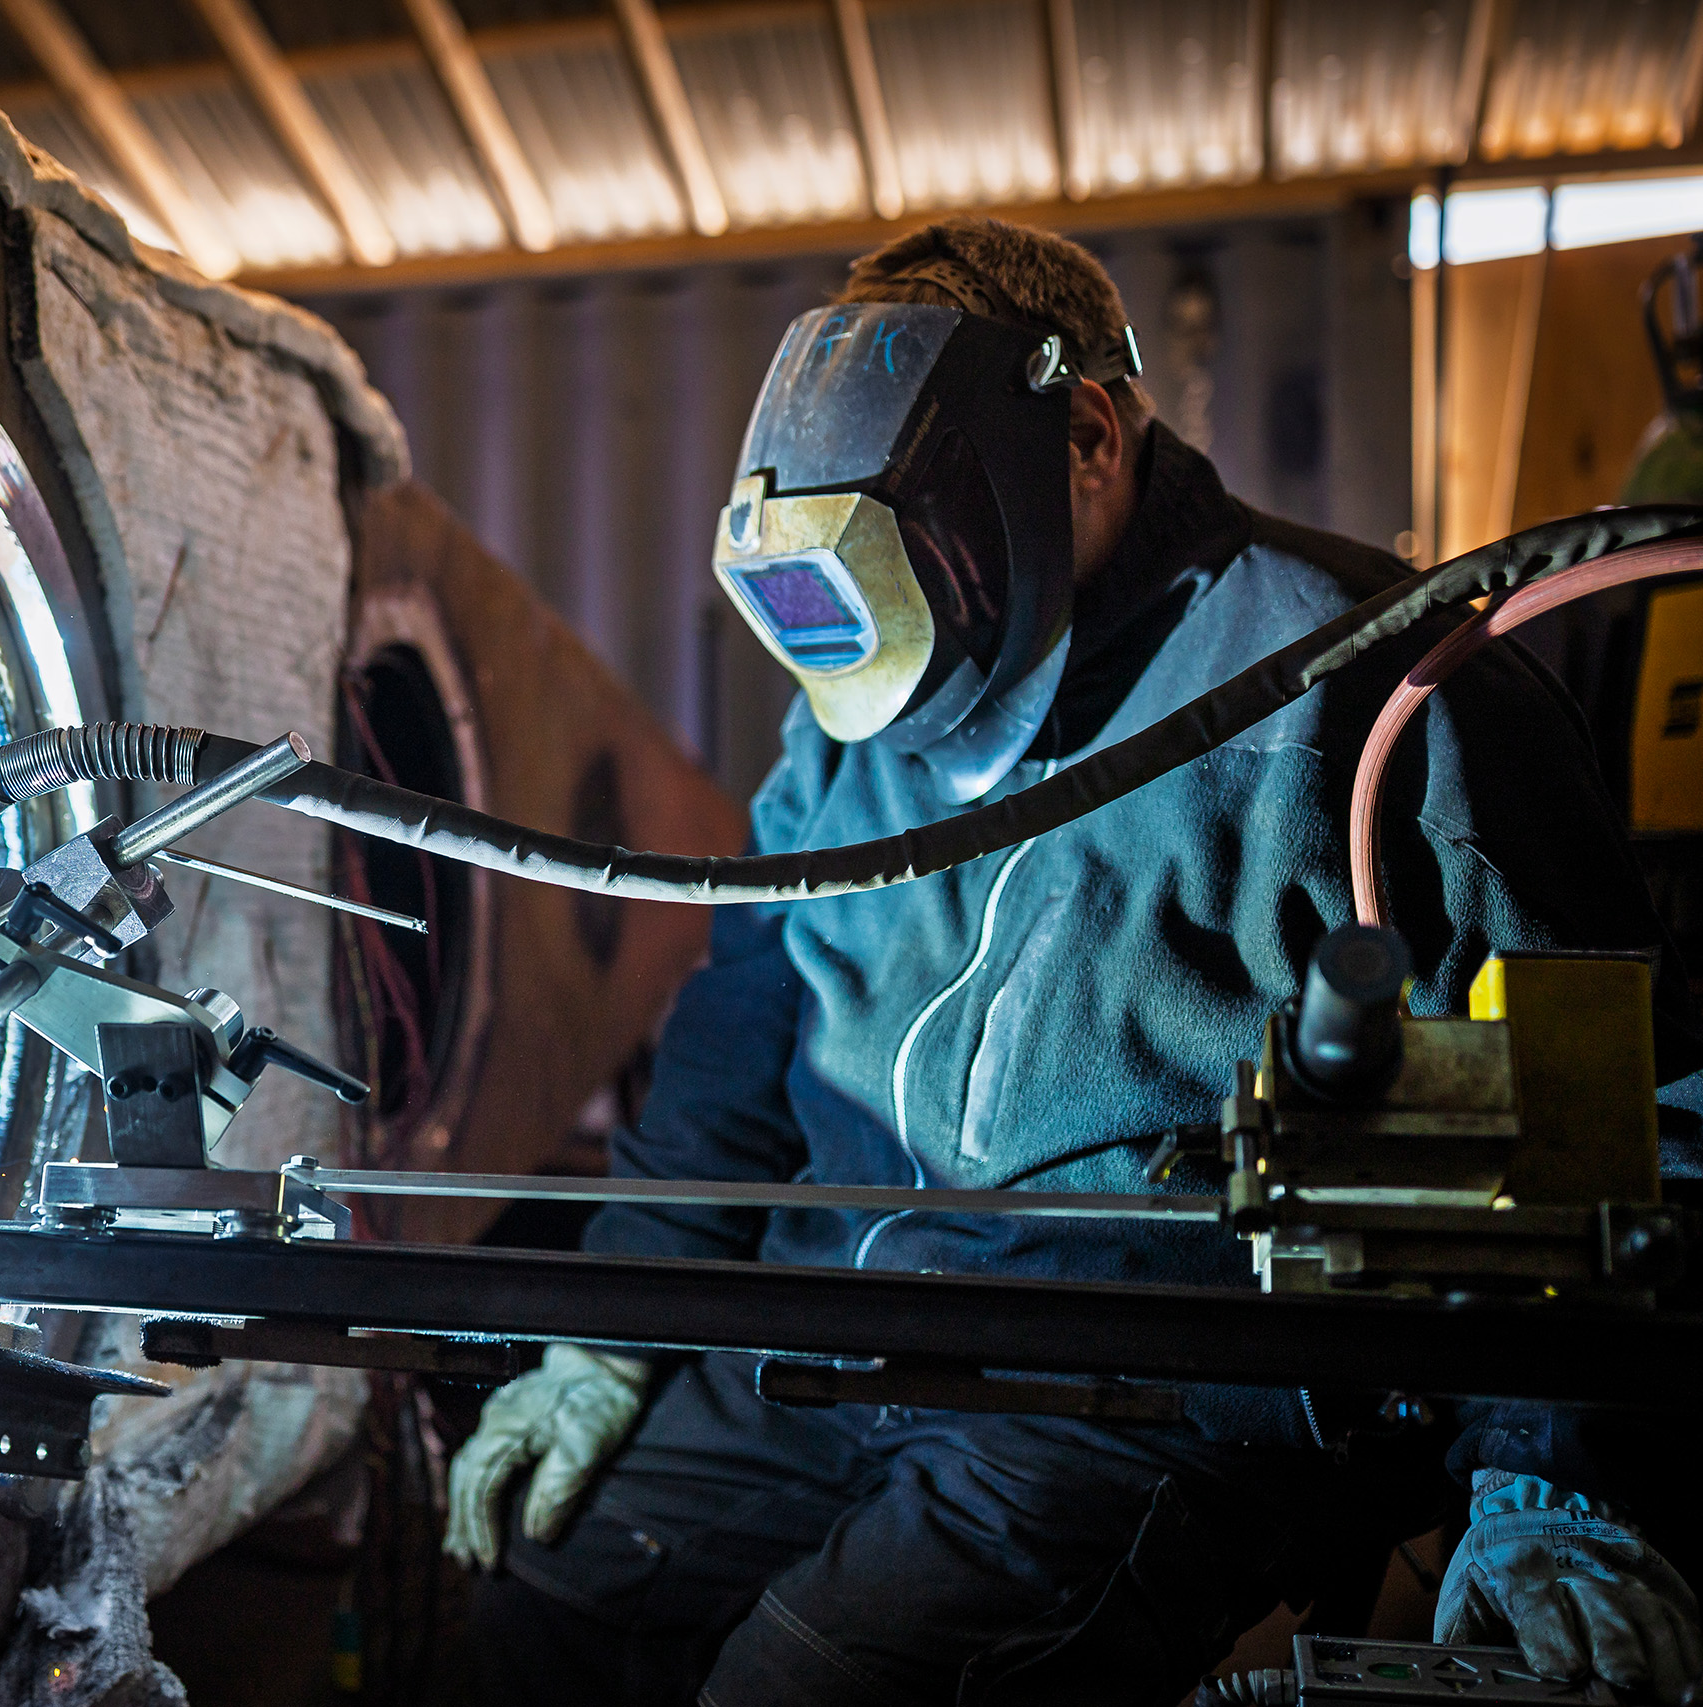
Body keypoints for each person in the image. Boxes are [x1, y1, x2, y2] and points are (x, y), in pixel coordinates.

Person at [445, 216, 1703, 1707]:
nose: (910, 733)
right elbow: (744, 1019)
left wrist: (1556, 1478)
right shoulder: (848, 736)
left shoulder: (1381, 694)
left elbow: (1602, 1105)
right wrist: (617, 1334)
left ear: (1087, 437)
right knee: (536, 1616)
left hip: (1138, 1387)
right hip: (839, 1327)